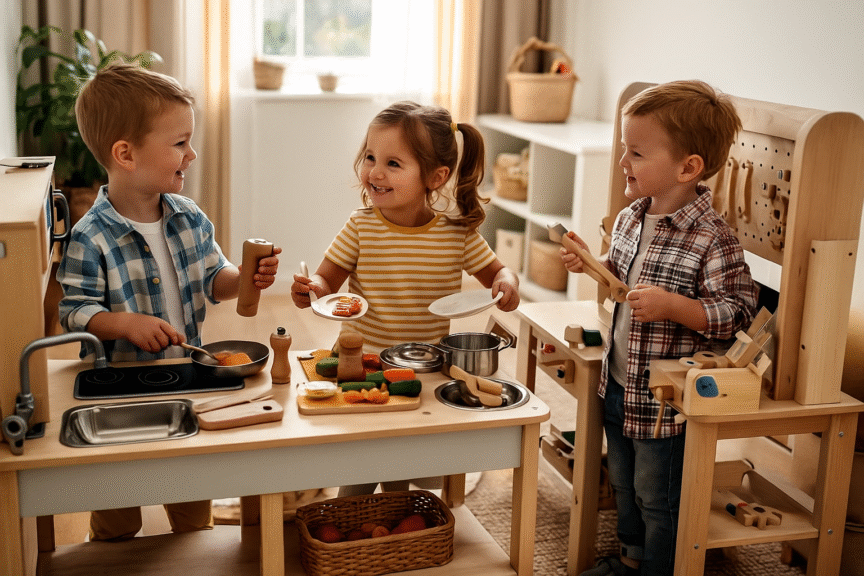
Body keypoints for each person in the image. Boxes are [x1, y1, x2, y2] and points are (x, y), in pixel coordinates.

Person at [57, 62, 281, 540]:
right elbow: (74, 312)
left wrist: (246, 280)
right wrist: (124, 324)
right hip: (118, 394)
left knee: (191, 502)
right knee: (116, 511)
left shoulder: (189, 218)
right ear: (126, 154)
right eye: (179, 143)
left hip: (187, 380)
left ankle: (193, 551)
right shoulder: (89, 236)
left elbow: (213, 279)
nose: (192, 153)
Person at [560, 80, 758, 576]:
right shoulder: (631, 217)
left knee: (658, 494)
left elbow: (736, 314)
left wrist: (674, 307)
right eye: (625, 150)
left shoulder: (714, 239)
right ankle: (631, 560)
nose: (622, 163)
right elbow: (621, 278)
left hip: (667, 400)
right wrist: (592, 264)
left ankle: (659, 568)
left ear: (688, 168)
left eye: (636, 153)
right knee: (623, 482)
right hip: (620, 380)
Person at [291, 101, 520, 496]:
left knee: (408, 463)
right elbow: (325, 281)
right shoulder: (360, 226)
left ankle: (398, 524)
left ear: (436, 176)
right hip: (361, 366)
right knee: (358, 470)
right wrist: (311, 289)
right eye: (369, 157)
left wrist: (507, 283)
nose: (374, 172)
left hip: (425, 371)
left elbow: (497, 272)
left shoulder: (456, 233)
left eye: (393, 164)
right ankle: (354, 524)